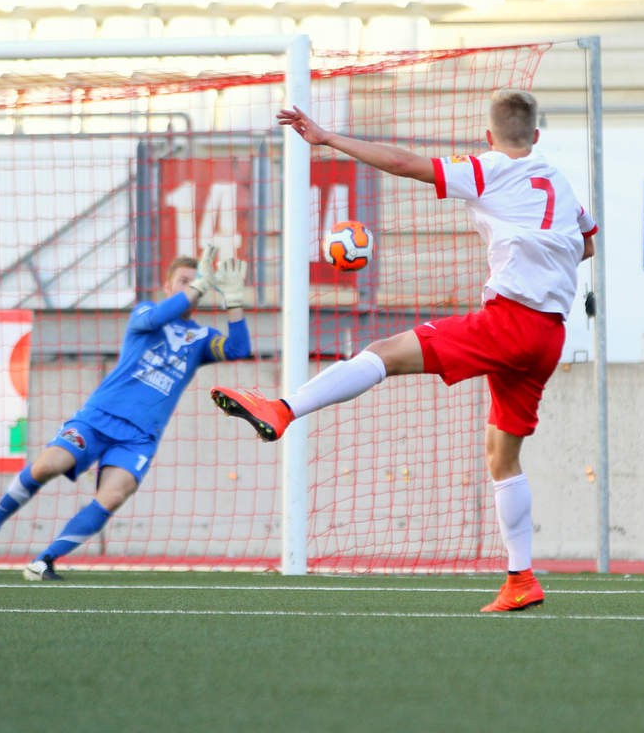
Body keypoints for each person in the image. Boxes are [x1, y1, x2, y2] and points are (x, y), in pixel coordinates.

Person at [211, 90, 597, 612]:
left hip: (509, 320)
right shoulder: (559, 179)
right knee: (501, 456)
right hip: (549, 334)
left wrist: (327, 139)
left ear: (488, 138)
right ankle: (521, 579)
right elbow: (587, 242)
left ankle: (281, 410)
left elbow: (403, 163)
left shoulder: (486, 168)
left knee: (384, 352)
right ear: (536, 136)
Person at [0, 246, 250, 580]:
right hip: (98, 419)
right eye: (184, 280)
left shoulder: (201, 338)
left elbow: (238, 348)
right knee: (47, 465)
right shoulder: (146, 313)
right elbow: (158, 317)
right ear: (168, 287)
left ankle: (44, 561)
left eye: (198, 279)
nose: (192, 285)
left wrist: (233, 298)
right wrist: (200, 284)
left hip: (140, 438)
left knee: (113, 496)